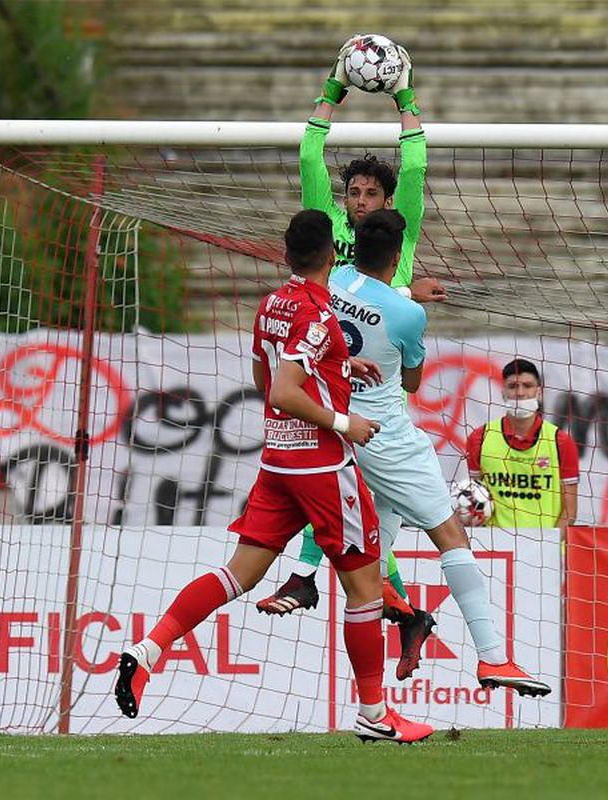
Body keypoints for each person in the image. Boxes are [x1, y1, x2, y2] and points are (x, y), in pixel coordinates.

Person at [115, 209, 433, 744]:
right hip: (322, 466)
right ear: (335, 254)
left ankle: (148, 649)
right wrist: (344, 421)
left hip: (277, 461)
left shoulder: (273, 304)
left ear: (286, 255)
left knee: (240, 573)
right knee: (364, 591)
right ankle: (375, 715)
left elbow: (266, 375)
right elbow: (285, 389)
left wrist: (338, 366)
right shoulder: (318, 315)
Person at [299, 209, 551, 694]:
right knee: (452, 535)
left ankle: (378, 680)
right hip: (389, 437)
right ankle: (494, 658)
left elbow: (368, 297)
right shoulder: (407, 315)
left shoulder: (336, 281)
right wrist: (410, 306)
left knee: (380, 546)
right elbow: (413, 380)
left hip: (344, 429)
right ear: (397, 257)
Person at [256, 37, 446, 663]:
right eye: (354, 193)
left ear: (388, 204)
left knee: (339, 497)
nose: (361, 202)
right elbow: (311, 152)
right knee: (354, 512)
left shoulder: (399, 233)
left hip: (375, 395)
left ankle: (313, 581)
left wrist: (405, 97)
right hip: (329, 380)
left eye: (371, 194)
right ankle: (404, 613)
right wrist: (332, 89)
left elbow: (414, 167)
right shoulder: (331, 232)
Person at [466, 359, 579, 530]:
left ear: (539, 392)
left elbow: (570, 513)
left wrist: (546, 545)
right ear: (503, 392)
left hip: (544, 548)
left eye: (527, 386)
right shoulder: (479, 439)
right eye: (513, 386)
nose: (520, 392)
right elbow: (474, 499)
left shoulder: (561, 442)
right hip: (496, 548)